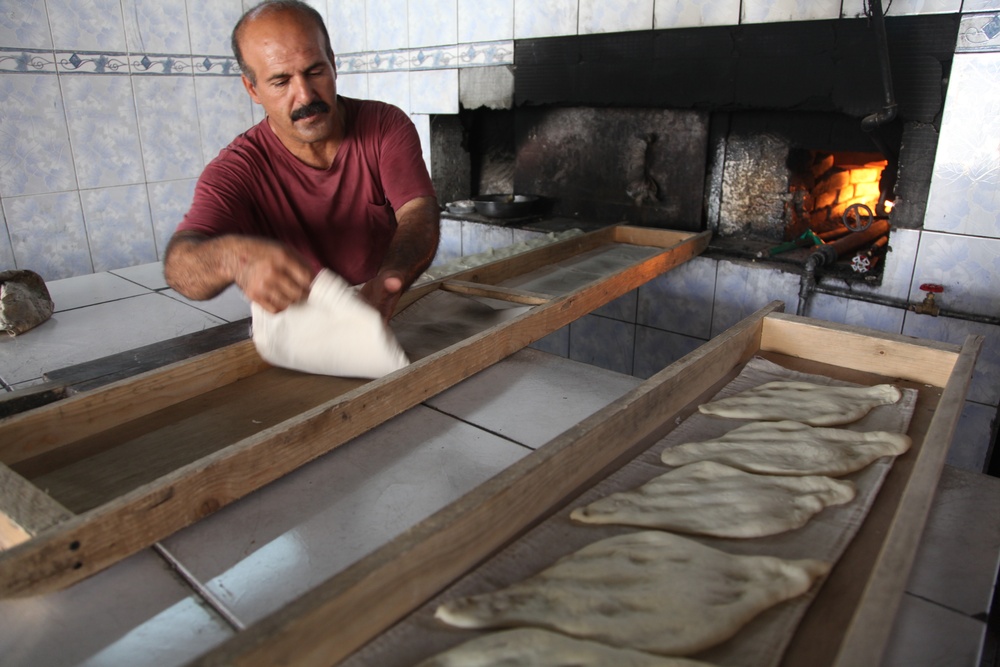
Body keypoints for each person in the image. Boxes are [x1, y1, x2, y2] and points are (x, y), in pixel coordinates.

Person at [163, 0, 439, 322]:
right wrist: (232, 258)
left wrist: (392, 278)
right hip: (301, 328)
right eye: (281, 82)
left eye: (315, 71)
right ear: (252, 88)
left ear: (333, 64)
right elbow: (181, 268)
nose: (306, 96)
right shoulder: (235, 172)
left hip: (387, 309)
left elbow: (417, 209)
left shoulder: (384, 125)